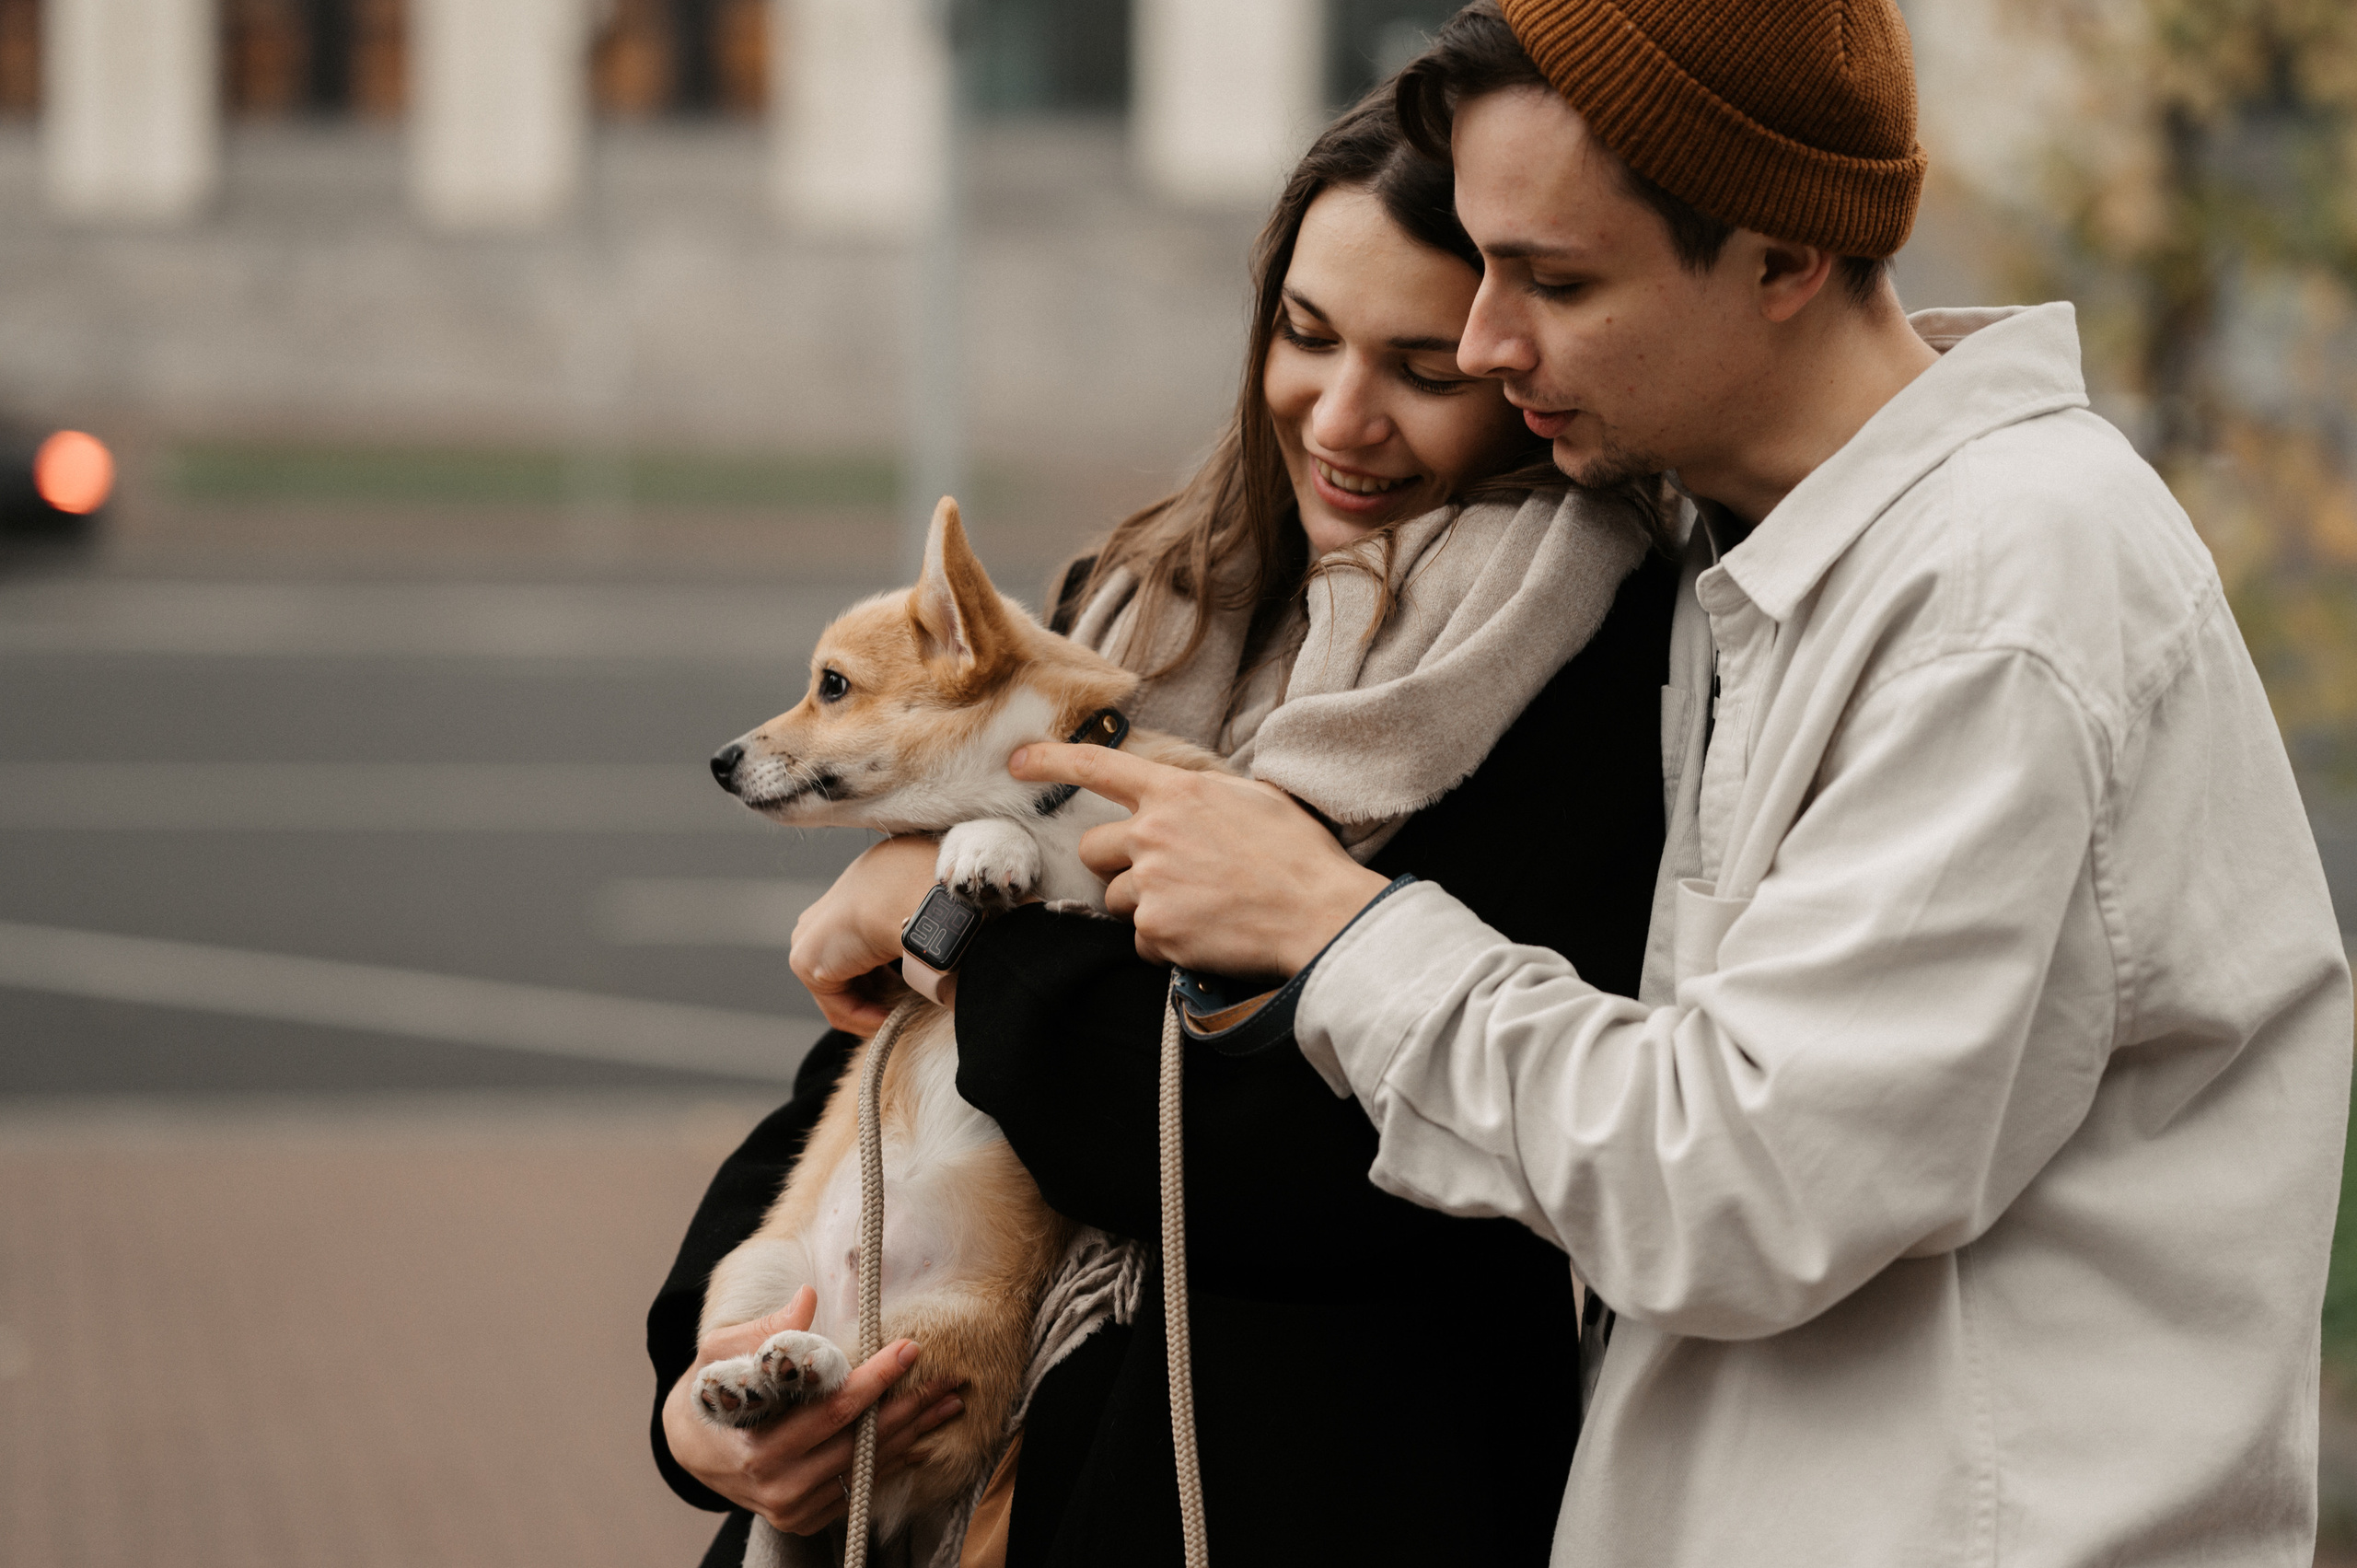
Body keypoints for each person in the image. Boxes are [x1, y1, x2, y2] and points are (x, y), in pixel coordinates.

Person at [1006, 3, 2356, 1564]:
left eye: (1558, 281)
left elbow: (1749, 1182)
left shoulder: (1999, 593)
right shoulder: (1754, 547)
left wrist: (1335, 927)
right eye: (1491, 267)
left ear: (1783, 259)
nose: (1495, 342)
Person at [647, 88, 1681, 1567]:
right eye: (1307, 334)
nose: (1339, 416)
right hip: (957, 1483)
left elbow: (1310, 1165)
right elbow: (871, 1075)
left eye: (1420, 366)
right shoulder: (1141, 602)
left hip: (1301, 1498)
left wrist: (938, 928)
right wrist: (701, 1411)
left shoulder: (1585, 669)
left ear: (1518, 370)